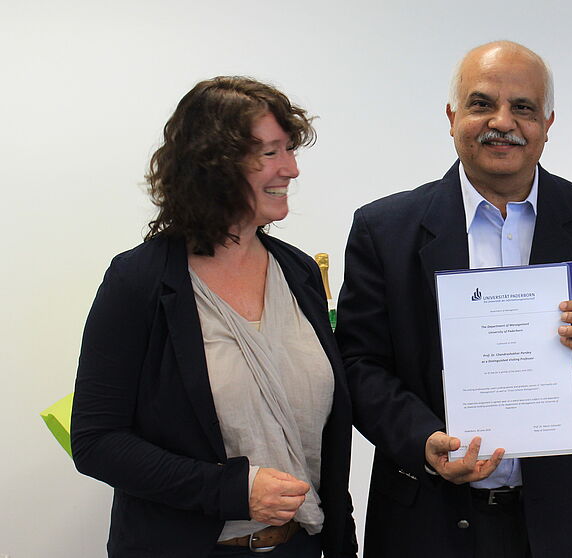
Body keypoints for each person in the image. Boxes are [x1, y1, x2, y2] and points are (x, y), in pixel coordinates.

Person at [335, 41, 572, 558]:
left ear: (548, 123)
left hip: (565, 521)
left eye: (523, 108)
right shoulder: (384, 229)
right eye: (482, 104)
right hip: (427, 517)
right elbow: (359, 365)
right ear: (452, 115)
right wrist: (423, 441)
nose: (502, 122)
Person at [71, 76, 357, 558]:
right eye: (269, 152)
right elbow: (97, 441)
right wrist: (233, 490)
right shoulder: (138, 280)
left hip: (300, 547)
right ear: (212, 166)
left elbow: (326, 447)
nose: (290, 169)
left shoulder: (300, 273)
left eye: (289, 150)